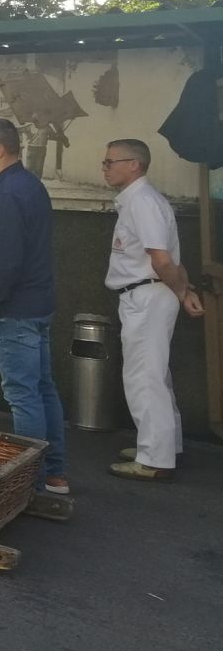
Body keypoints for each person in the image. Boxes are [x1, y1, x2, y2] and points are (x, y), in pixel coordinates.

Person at [0, 117, 68, 495]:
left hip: (12, 309)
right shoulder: (30, 184)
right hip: (37, 304)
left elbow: (7, 259)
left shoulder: (7, 194)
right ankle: (54, 474)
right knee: (42, 389)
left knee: (23, 395)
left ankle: (31, 485)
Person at [101, 139, 204, 482]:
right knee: (155, 374)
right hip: (149, 293)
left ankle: (154, 459)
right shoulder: (140, 200)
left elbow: (161, 259)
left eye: (111, 161)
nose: (105, 168)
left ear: (135, 164)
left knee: (144, 377)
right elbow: (168, 258)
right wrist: (183, 291)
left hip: (146, 295)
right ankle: (164, 445)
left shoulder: (142, 201)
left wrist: (181, 290)